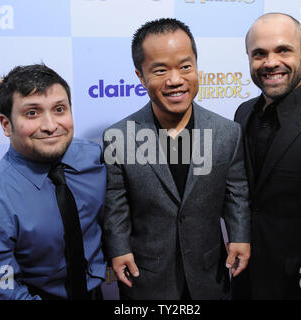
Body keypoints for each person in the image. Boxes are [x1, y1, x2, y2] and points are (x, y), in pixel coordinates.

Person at [102, 18, 251, 300]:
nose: (175, 80)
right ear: (140, 75)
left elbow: (237, 192)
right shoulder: (118, 137)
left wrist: (240, 235)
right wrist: (119, 248)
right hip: (146, 275)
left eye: (185, 66)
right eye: (160, 70)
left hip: (210, 272)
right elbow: (115, 202)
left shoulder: (227, 132)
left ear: (196, 65)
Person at [233, 13, 301, 299]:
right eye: (259, 54)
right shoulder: (243, 113)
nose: (270, 62)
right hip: (246, 272)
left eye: (283, 50)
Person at [0, 64, 107, 300]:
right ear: (6, 124)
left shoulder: (96, 158)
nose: (51, 126)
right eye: (32, 113)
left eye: (60, 109)